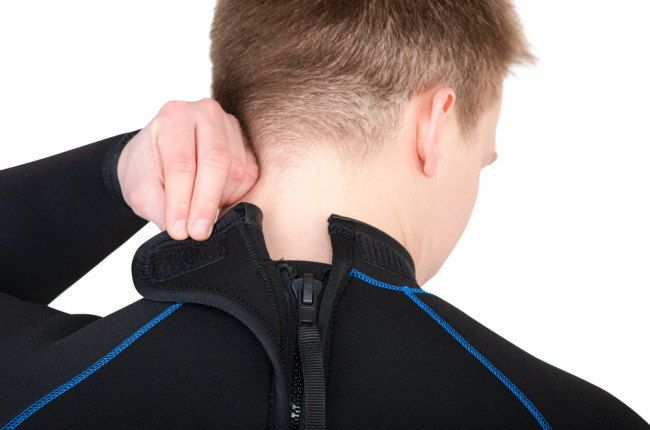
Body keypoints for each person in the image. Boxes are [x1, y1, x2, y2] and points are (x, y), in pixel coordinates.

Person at [1, 2, 648, 430]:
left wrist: (111, 176)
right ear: (435, 124)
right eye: (482, 159)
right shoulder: (571, 418)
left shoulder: (29, 392)